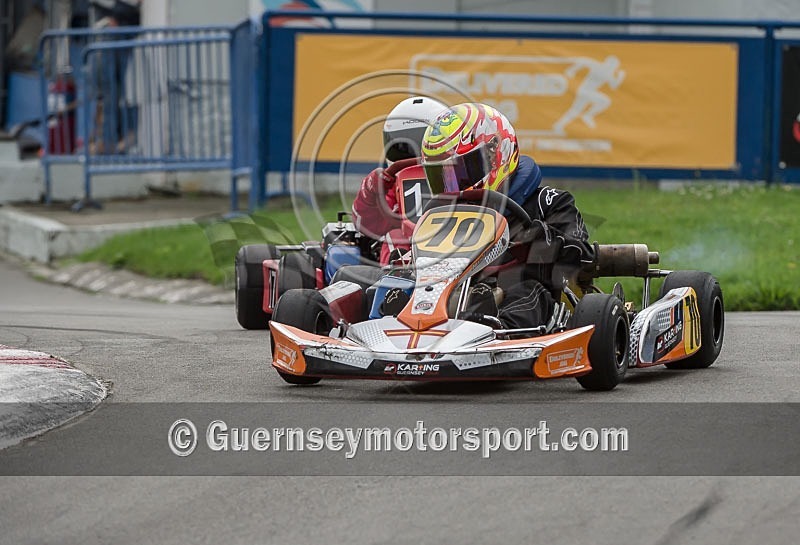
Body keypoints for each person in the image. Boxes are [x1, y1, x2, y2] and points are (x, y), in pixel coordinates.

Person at [420, 102, 595, 330]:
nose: (452, 188)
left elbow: (583, 257)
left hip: (529, 298)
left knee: (528, 290)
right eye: (441, 178)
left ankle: (500, 331)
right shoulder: (443, 216)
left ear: (495, 154)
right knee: (396, 287)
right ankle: (392, 324)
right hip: (456, 290)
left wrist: (537, 239)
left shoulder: (549, 202)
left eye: (460, 174)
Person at [351, 96, 447, 264]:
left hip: (454, 243)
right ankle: (397, 278)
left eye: (424, 142)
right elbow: (365, 223)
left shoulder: (458, 178)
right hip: (408, 258)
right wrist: (372, 188)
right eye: (405, 147)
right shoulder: (390, 191)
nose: (417, 152)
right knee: (395, 237)